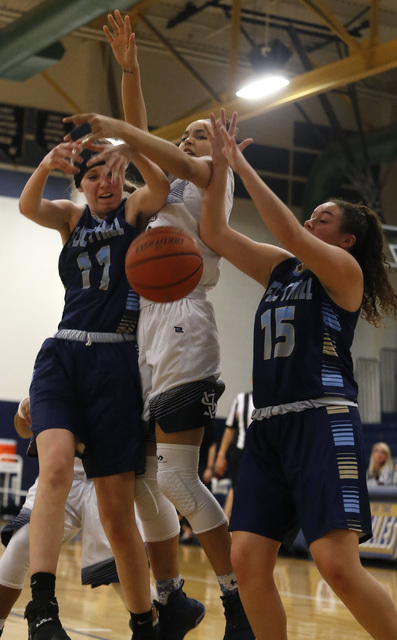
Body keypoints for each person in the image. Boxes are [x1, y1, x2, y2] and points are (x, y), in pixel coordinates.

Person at [63, 13, 254, 639]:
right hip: (144, 333)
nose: (193, 139)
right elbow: (147, 142)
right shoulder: (166, 185)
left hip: (187, 324)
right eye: (190, 134)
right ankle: (171, 598)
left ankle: (237, 603)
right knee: (142, 474)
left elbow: (148, 143)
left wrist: (116, 131)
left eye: (203, 132)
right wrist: (129, 67)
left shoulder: (210, 180)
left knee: (175, 475)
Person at [199, 110, 397, 640]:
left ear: (348, 240)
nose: (311, 222)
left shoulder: (344, 273)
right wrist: (221, 167)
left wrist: (238, 161)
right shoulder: (282, 269)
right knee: (246, 559)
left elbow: (285, 226)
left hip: (321, 420)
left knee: (336, 564)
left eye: (323, 217)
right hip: (268, 427)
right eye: (312, 215)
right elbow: (214, 231)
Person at [18, 134, 170, 640]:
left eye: (112, 172)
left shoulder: (134, 211)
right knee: (56, 468)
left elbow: (163, 185)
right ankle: (42, 606)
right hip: (62, 352)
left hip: (114, 360)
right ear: (79, 184)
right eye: (92, 175)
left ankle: (144, 622)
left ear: (123, 174)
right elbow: (27, 204)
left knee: (115, 511)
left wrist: (135, 148)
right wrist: (45, 163)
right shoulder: (70, 216)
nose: (104, 183)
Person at [0, 398, 159, 638]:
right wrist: (24, 412)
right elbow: (23, 429)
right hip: (62, 477)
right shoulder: (54, 366)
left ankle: (158, 627)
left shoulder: (118, 366)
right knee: (21, 543)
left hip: (107, 477)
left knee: (119, 569)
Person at [215, 391, 254, 520]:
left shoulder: (275, 399)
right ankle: (227, 523)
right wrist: (221, 455)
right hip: (241, 452)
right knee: (236, 488)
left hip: (264, 455)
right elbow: (229, 428)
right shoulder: (242, 399)